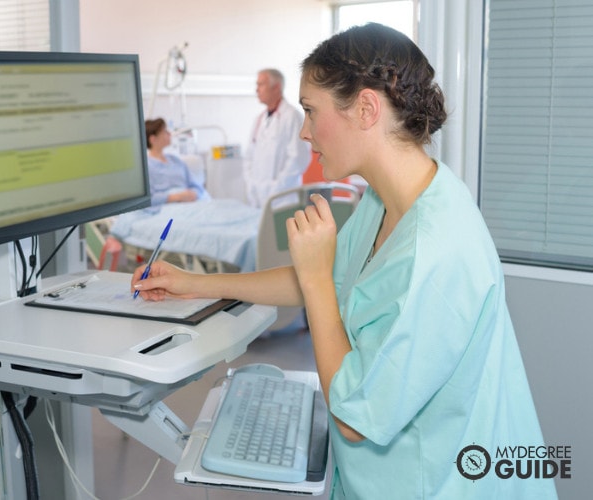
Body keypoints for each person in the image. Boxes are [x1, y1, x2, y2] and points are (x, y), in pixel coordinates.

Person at [132, 23, 557, 500]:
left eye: (312, 111)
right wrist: (196, 283)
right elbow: (334, 278)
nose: (303, 130)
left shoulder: (434, 252)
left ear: (366, 108)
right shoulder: (390, 200)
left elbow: (355, 417)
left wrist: (315, 278)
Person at [243, 68, 311, 208]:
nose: (257, 90)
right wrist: (252, 185)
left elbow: (299, 159)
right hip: (257, 199)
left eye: (261, 85)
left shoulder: (292, 117)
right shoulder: (259, 120)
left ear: (276, 87)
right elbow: (249, 156)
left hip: (284, 198)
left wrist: (276, 188)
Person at [144, 118, 209, 206]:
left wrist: (194, 194)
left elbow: (196, 186)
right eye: (165, 132)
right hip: (166, 208)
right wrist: (175, 197)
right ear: (153, 139)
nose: (169, 133)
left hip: (192, 203)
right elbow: (147, 199)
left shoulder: (176, 161)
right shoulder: (146, 167)